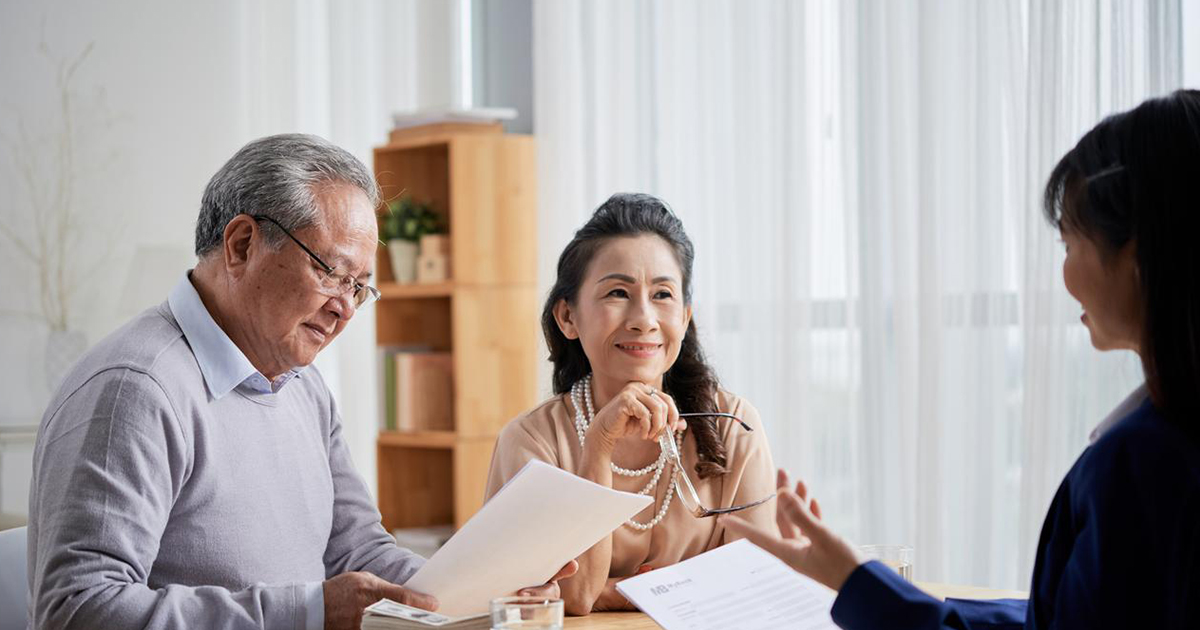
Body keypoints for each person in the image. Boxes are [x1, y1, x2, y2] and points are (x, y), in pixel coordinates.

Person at [26, 133, 572, 630]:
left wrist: (482, 589)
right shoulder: (136, 390)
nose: (345, 309)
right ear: (242, 245)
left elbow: (356, 549)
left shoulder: (301, 386)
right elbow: (76, 609)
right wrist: (307, 612)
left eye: (359, 286)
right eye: (331, 272)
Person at [724, 90, 1200, 628]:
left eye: (1069, 244)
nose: (1063, 275)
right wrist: (858, 579)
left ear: (1138, 257)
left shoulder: (1141, 461)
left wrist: (858, 585)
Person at [484, 193, 777, 615]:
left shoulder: (734, 426)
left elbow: (752, 581)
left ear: (685, 316)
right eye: (618, 292)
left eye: (662, 294)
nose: (643, 318)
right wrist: (599, 445)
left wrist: (618, 591)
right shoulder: (531, 442)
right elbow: (573, 598)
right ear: (568, 317)